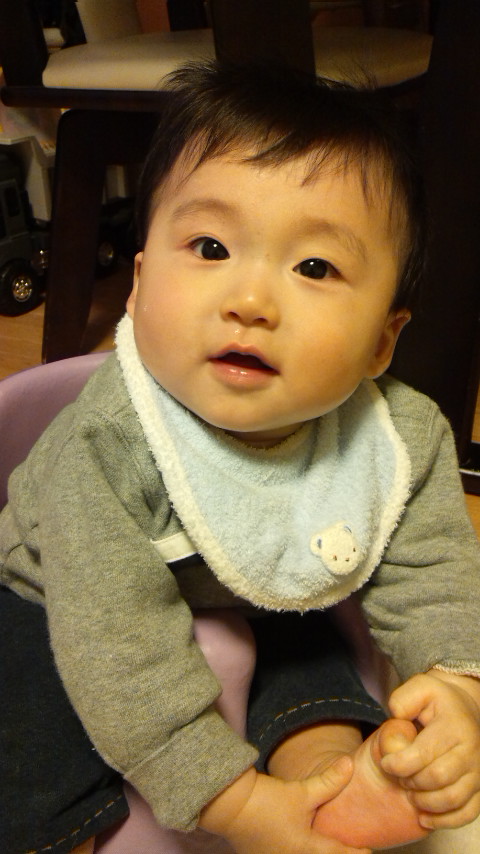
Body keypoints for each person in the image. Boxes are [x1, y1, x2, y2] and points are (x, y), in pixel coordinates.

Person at [1, 60, 480, 854]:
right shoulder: (106, 445)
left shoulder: (402, 437)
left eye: (315, 267)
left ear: (381, 341)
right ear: (139, 286)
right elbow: (117, 649)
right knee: (28, 711)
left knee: (313, 642)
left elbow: (434, 572)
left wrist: (457, 685)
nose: (250, 301)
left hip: (248, 588)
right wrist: (229, 799)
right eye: (211, 246)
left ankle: (328, 777)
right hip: (61, 605)